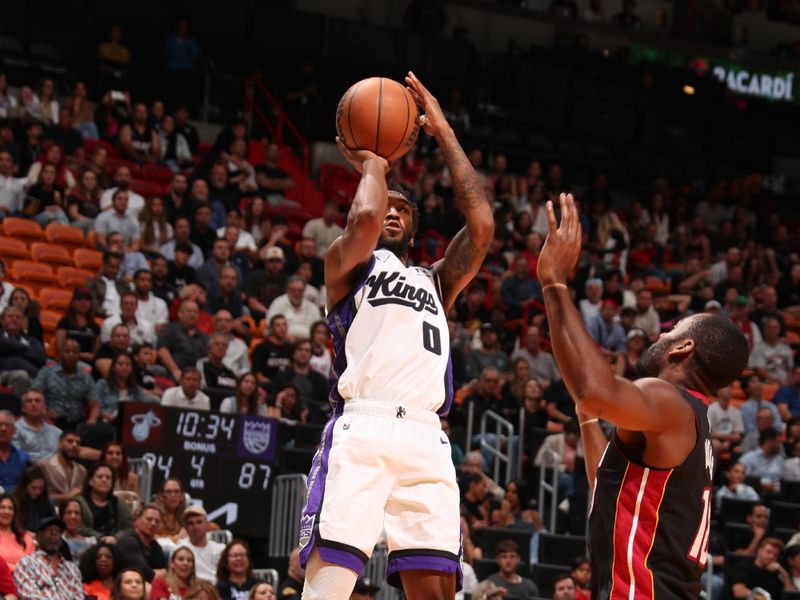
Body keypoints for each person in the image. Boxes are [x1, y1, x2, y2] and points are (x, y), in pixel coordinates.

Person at [536, 193, 750, 598]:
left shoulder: (668, 400)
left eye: (671, 330)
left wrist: (554, 281)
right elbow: (612, 488)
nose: (659, 333)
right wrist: (586, 418)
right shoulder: (693, 425)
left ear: (682, 349)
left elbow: (596, 390)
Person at [32, 338, 100, 430]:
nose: (70, 354)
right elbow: (34, 395)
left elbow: (95, 406)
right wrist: (43, 412)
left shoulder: (86, 378)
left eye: (74, 352)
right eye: (67, 351)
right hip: (50, 422)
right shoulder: (47, 372)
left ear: (79, 355)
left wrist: (91, 422)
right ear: (60, 354)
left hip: (76, 424)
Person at [13, 515, 83, 599]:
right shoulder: (26, 564)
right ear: (37, 536)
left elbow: (79, 596)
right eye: (49, 529)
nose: (54, 533)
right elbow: (29, 596)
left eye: (58, 530)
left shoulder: (72, 569)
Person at [76, 462, 133, 540]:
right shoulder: (79, 503)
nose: (104, 480)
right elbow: (80, 528)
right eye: (100, 477)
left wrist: (115, 538)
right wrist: (101, 537)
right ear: (90, 481)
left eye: (108, 477)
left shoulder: (118, 502)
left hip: (114, 543)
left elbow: (128, 528)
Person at [115, 505, 166, 583]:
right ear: (137, 521)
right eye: (149, 519)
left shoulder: (155, 546)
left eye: (157, 521)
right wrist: (154, 573)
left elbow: (165, 573)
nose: (153, 523)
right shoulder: (128, 541)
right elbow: (144, 573)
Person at [177, 505, 225, 585]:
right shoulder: (179, 548)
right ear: (185, 528)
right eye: (190, 523)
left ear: (207, 525)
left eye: (199, 522)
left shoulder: (220, 549)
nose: (195, 527)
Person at [12, 388, 61, 462]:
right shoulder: (14, 429)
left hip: (54, 469)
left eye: (37, 401)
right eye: (29, 401)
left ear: (44, 407)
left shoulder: (56, 432)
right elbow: (16, 457)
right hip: (26, 469)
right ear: (23, 408)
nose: (33, 404)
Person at [95, 353, 146, 421]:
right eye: (120, 364)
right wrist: (115, 420)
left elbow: (143, 409)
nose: (124, 367)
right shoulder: (102, 384)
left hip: (130, 423)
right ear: (113, 367)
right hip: (107, 423)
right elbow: (97, 408)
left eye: (127, 365)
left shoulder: (136, 389)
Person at [39, 430, 86, 503]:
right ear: (59, 443)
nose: (74, 445)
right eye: (70, 441)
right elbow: (38, 497)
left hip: (74, 512)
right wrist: (67, 496)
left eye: (78, 443)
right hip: (50, 511)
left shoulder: (82, 470)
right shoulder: (43, 466)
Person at [55, 287, 100, 362]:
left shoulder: (95, 327)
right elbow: (60, 349)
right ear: (73, 302)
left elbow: (96, 354)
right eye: (80, 299)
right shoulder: (64, 322)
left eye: (87, 300)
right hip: (67, 361)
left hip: (89, 364)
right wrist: (82, 355)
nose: (84, 302)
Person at [12, 465, 55, 533]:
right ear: (25, 486)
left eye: (40, 488)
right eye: (33, 488)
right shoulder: (15, 501)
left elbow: (53, 523)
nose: (37, 492)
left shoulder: (48, 502)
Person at [0, 494, 34, 569]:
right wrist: (17, 569)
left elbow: (31, 565)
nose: (6, 511)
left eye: (10, 508)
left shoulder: (25, 538)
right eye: (2, 507)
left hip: (22, 579)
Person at [0, 411, 30, 494]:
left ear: (14, 430)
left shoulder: (24, 458)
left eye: (8, 425)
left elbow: (27, 486)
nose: (3, 428)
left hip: (17, 502)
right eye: (0, 424)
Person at [153, 478, 186, 547]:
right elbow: (150, 537)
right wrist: (176, 538)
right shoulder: (154, 513)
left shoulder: (186, 514)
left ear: (182, 496)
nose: (173, 495)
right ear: (162, 496)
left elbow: (209, 525)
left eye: (176, 491)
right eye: (168, 491)